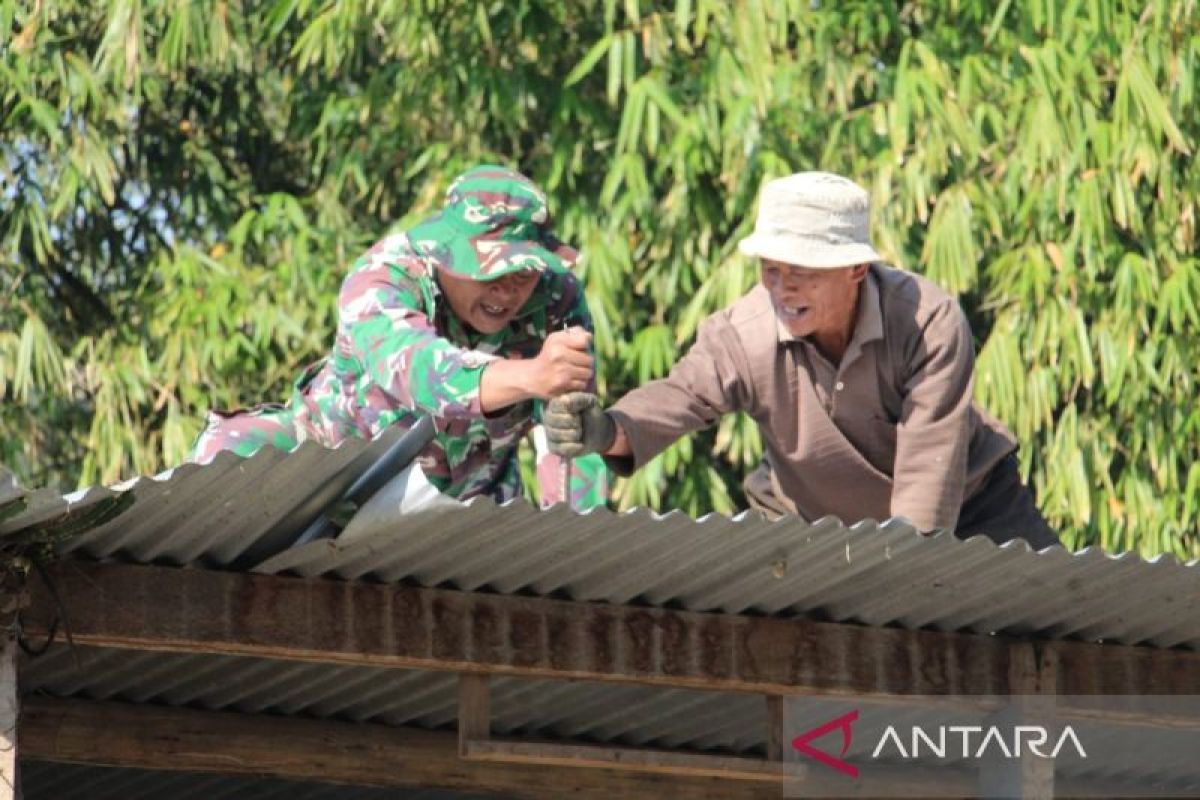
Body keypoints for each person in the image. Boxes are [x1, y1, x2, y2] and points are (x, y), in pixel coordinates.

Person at [544, 171, 1059, 547]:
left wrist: (899, 575)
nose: (782, 288)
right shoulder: (743, 334)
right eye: (771, 269)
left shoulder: (927, 322)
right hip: (810, 523)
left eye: (802, 272)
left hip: (970, 507)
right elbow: (681, 395)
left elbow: (929, 475)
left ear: (855, 269)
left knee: (1061, 629)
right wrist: (607, 430)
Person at [190, 164, 607, 508]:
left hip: (467, 503)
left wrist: (573, 551)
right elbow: (422, 372)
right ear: (447, 253)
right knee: (230, 450)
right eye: (491, 273)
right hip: (337, 480)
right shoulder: (384, 277)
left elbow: (573, 439)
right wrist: (530, 377)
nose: (507, 292)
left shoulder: (557, 298)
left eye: (524, 274)